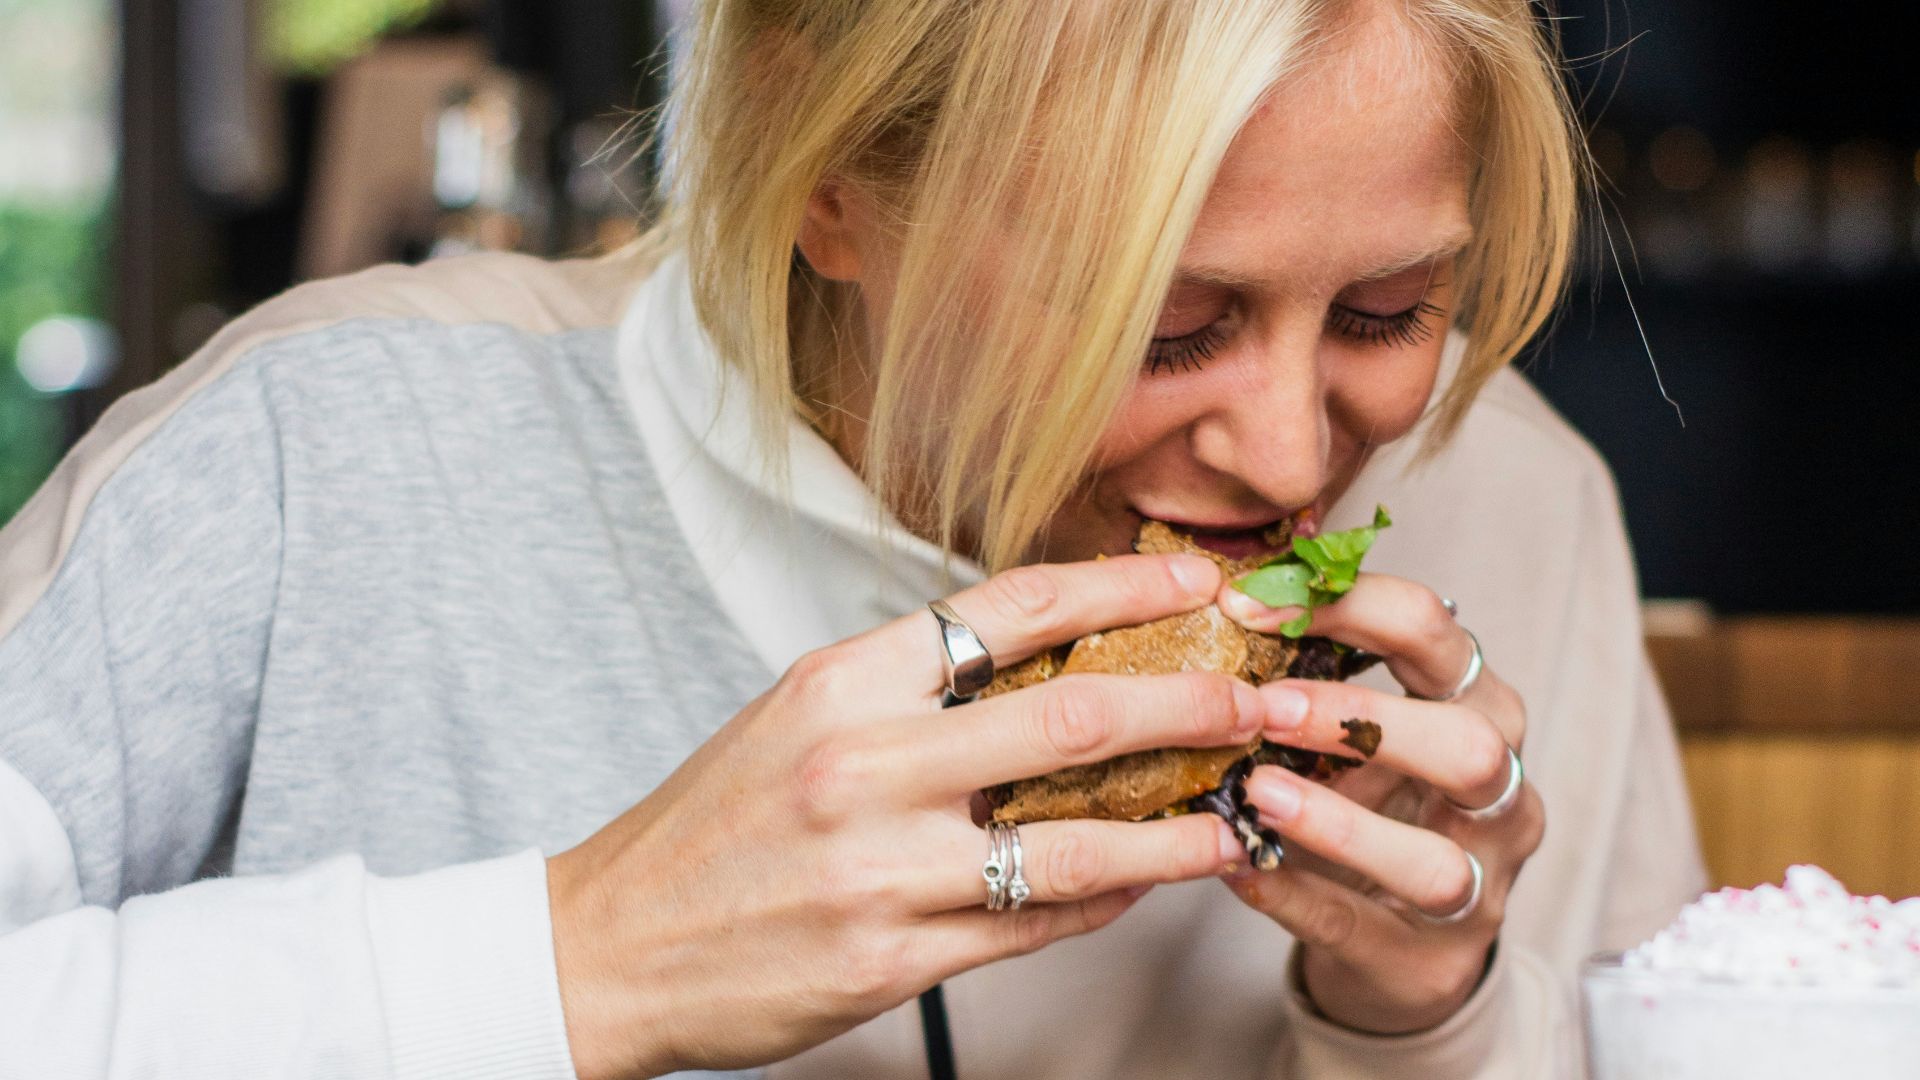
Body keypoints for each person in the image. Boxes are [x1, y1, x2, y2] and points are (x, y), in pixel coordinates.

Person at [0, 0, 1705, 1076]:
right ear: (831, 178)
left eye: (1393, 311)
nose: (1288, 451)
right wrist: (575, 954)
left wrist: (1426, 1017)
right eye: (1166, 323)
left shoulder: (1524, 506)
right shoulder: (323, 451)